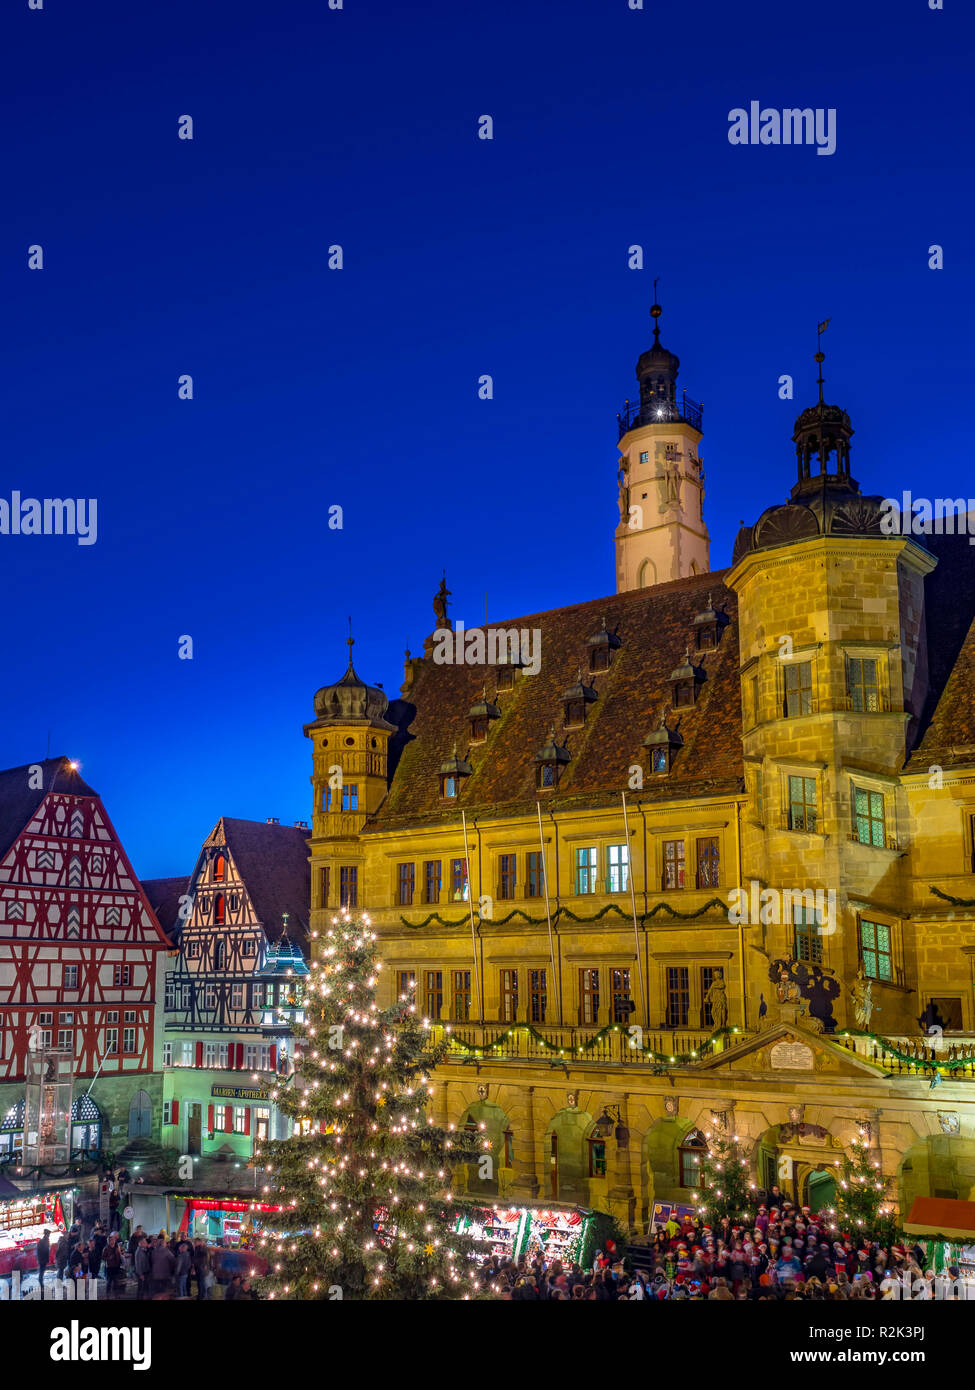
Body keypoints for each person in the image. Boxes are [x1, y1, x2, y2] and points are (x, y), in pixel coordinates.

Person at [103, 1232, 124, 1299]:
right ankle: (108, 1295)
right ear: (108, 1241)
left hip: (116, 1266)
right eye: (111, 1240)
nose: (113, 1241)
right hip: (109, 1267)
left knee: (116, 1281)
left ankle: (116, 1295)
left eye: (113, 1240)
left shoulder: (117, 1247)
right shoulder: (106, 1248)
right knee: (109, 1281)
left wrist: (121, 1254)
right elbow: (103, 1258)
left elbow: (120, 1255)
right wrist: (109, 1258)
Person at [35, 1229, 51, 1294]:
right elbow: (44, 1251)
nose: (49, 1235)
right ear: (47, 1234)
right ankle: (40, 1284)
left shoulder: (42, 1241)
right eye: (49, 1234)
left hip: (42, 1259)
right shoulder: (44, 1241)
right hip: (42, 1260)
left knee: (41, 1271)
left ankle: (41, 1283)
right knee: (41, 1272)